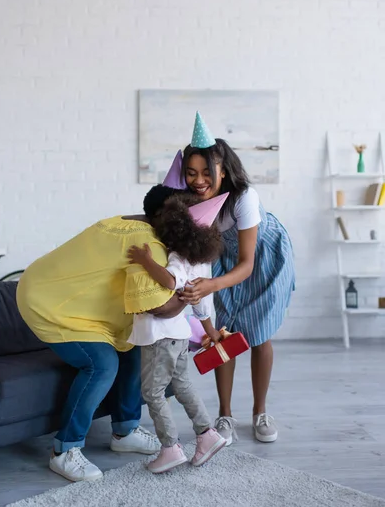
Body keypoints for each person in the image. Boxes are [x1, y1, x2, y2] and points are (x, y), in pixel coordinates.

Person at [16, 183, 189, 483]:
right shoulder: (150, 246)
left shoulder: (126, 221)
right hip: (50, 303)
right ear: (163, 215)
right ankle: (64, 450)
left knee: (132, 348)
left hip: (65, 298)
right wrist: (189, 295)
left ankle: (125, 429)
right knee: (102, 364)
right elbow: (159, 307)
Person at [179, 111, 295, 447]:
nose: (198, 180)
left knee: (259, 333)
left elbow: (246, 264)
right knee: (224, 332)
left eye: (206, 172)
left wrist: (212, 285)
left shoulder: (245, 199)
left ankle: (260, 411)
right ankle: (225, 414)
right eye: (191, 173)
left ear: (223, 170)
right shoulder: (192, 203)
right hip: (225, 258)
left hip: (265, 257)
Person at [127, 189, 228, 473]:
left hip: (161, 336)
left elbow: (171, 282)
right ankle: (207, 434)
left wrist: (145, 261)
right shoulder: (193, 257)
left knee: (153, 392)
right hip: (176, 335)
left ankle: (170, 447)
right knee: (182, 385)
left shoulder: (176, 256)